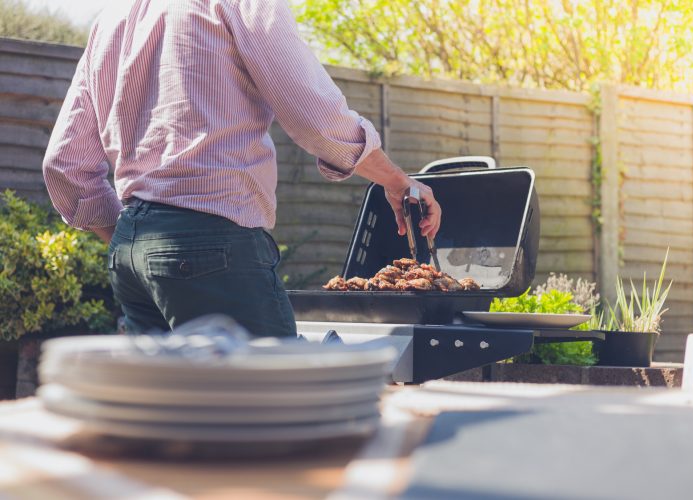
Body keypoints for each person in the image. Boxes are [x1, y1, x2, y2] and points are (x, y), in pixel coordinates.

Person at [42, 0, 441, 338]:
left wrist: (137, 239)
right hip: (212, 244)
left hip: (131, 252)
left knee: (172, 415)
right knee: (280, 406)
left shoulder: (113, 18)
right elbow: (317, 117)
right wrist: (396, 180)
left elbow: (65, 164)